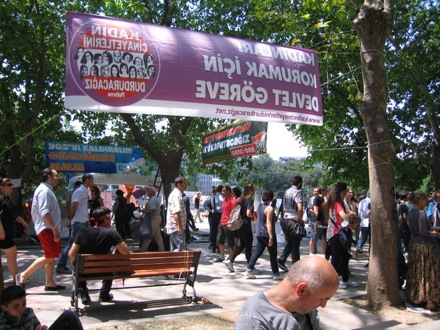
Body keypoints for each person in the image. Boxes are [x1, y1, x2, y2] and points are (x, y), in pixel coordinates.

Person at [235, 255, 339, 329]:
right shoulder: (255, 319)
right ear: (301, 290)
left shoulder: (304, 308)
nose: (323, 305)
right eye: (322, 299)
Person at [16, 168, 65, 291]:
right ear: (48, 176)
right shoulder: (44, 191)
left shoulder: (47, 190)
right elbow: (44, 211)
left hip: (49, 228)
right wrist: (54, 228)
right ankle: (24, 275)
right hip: (47, 228)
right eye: (56, 175)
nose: (58, 178)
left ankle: (50, 282)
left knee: (51, 256)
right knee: (51, 255)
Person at [69, 206, 129, 304]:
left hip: (84, 271)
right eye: (109, 218)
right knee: (110, 267)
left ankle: (84, 293)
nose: (110, 221)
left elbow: (71, 254)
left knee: (78, 268)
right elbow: (125, 251)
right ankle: (104, 294)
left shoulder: (82, 232)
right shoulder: (112, 233)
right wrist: (113, 252)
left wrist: (75, 264)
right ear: (104, 220)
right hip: (104, 270)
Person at [406, 192, 440, 311]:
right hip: (424, 246)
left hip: (415, 244)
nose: (426, 202)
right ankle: (430, 300)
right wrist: (436, 233)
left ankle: (416, 296)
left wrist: (435, 228)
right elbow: (424, 232)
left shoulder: (411, 212)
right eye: (425, 200)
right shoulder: (420, 213)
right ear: (420, 200)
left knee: (417, 271)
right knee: (428, 272)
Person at [56, 174, 94, 275]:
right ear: (87, 180)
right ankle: (61, 264)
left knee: (82, 243)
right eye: (92, 179)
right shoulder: (80, 191)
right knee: (71, 244)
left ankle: (81, 262)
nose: (93, 181)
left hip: (83, 222)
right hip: (78, 223)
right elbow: (74, 206)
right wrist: (71, 219)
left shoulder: (85, 191)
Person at [0, 285, 84, 329]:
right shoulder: (2, 323)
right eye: (16, 306)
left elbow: (37, 326)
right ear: (4, 308)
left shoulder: (28, 312)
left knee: (69, 315)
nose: (22, 308)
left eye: (24, 303)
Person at [326, 182, 358, 289]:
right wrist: (351, 214)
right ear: (342, 191)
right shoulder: (337, 203)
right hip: (336, 234)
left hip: (335, 233)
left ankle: (345, 279)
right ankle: (334, 282)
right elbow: (344, 217)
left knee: (344, 257)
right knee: (337, 258)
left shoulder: (332, 202)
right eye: (345, 192)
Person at [245, 188, 280, 280]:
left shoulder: (260, 206)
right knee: (273, 254)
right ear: (272, 197)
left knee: (257, 252)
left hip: (259, 233)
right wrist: (271, 236)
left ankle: (249, 269)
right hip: (266, 233)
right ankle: (276, 273)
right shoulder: (269, 208)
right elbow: (268, 223)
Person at [0, 179, 29, 284]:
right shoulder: (0, 198)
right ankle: (17, 279)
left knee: (12, 254)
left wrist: (23, 222)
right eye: (9, 185)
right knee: (12, 252)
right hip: (3, 234)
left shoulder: (7, 199)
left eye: (11, 185)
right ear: (1, 187)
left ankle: (16, 278)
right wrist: (1, 229)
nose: (11, 187)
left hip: (6, 233)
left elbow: (14, 214)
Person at [224, 184, 256, 273]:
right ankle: (250, 267)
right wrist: (254, 215)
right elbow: (248, 213)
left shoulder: (240, 199)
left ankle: (230, 260)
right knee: (248, 246)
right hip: (246, 224)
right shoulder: (250, 200)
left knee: (241, 245)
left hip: (240, 224)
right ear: (251, 191)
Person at [277, 176, 304, 272]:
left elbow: (283, 207)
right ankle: (296, 267)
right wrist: (300, 219)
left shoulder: (286, 192)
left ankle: (282, 260)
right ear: (299, 183)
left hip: (285, 220)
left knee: (291, 241)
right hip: (293, 220)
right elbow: (300, 208)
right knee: (295, 244)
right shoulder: (297, 192)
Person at [139, 186, 164, 252]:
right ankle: (161, 249)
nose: (147, 191)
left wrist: (143, 211)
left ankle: (142, 250)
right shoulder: (153, 199)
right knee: (157, 235)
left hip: (154, 219)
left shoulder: (153, 200)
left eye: (148, 190)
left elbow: (153, 211)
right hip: (156, 218)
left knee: (149, 235)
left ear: (152, 191)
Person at [215, 186, 236, 262]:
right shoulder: (224, 200)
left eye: (224, 191)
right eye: (222, 191)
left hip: (228, 223)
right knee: (220, 239)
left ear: (229, 191)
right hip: (222, 222)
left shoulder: (233, 201)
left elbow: (234, 213)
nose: (222, 192)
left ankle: (231, 257)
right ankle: (221, 255)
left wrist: (231, 223)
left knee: (230, 241)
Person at [165, 177, 187, 251]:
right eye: (184, 183)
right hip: (176, 227)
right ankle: (178, 262)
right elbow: (175, 213)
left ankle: (175, 262)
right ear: (179, 185)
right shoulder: (176, 195)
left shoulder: (177, 194)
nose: (186, 185)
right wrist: (179, 227)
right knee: (180, 249)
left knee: (175, 248)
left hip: (175, 227)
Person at [311, 187, 327, 256]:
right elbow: (315, 210)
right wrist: (318, 220)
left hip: (323, 221)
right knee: (314, 237)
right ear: (322, 191)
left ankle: (324, 253)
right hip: (318, 221)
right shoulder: (317, 199)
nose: (326, 192)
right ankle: (311, 252)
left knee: (323, 237)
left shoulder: (324, 199)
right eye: (326, 190)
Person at [210, 185, 224, 253]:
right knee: (219, 231)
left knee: (213, 231)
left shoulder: (213, 196)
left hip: (214, 213)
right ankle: (218, 246)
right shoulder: (221, 197)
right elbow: (223, 205)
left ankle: (213, 246)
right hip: (219, 214)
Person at [307, 187, 318, 255]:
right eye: (314, 191)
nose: (316, 192)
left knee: (319, 235)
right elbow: (309, 208)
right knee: (312, 235)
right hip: (313, 219)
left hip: (319, 219)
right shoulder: (311, 199)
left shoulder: (322, 198)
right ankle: (313, 250)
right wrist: (314, 211)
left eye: (317, 191)